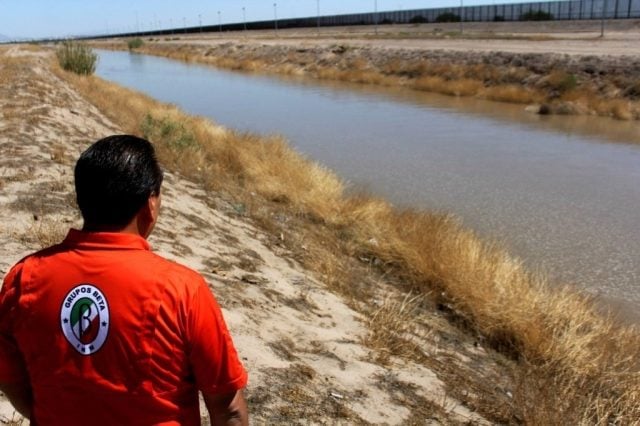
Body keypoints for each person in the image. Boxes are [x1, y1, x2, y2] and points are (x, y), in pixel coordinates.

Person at [0, 135, 248, 425]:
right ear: (150, 204)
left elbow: (11, 380)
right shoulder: (183, 290)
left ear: (82, 199)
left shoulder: (25, 277)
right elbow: (228, 408)